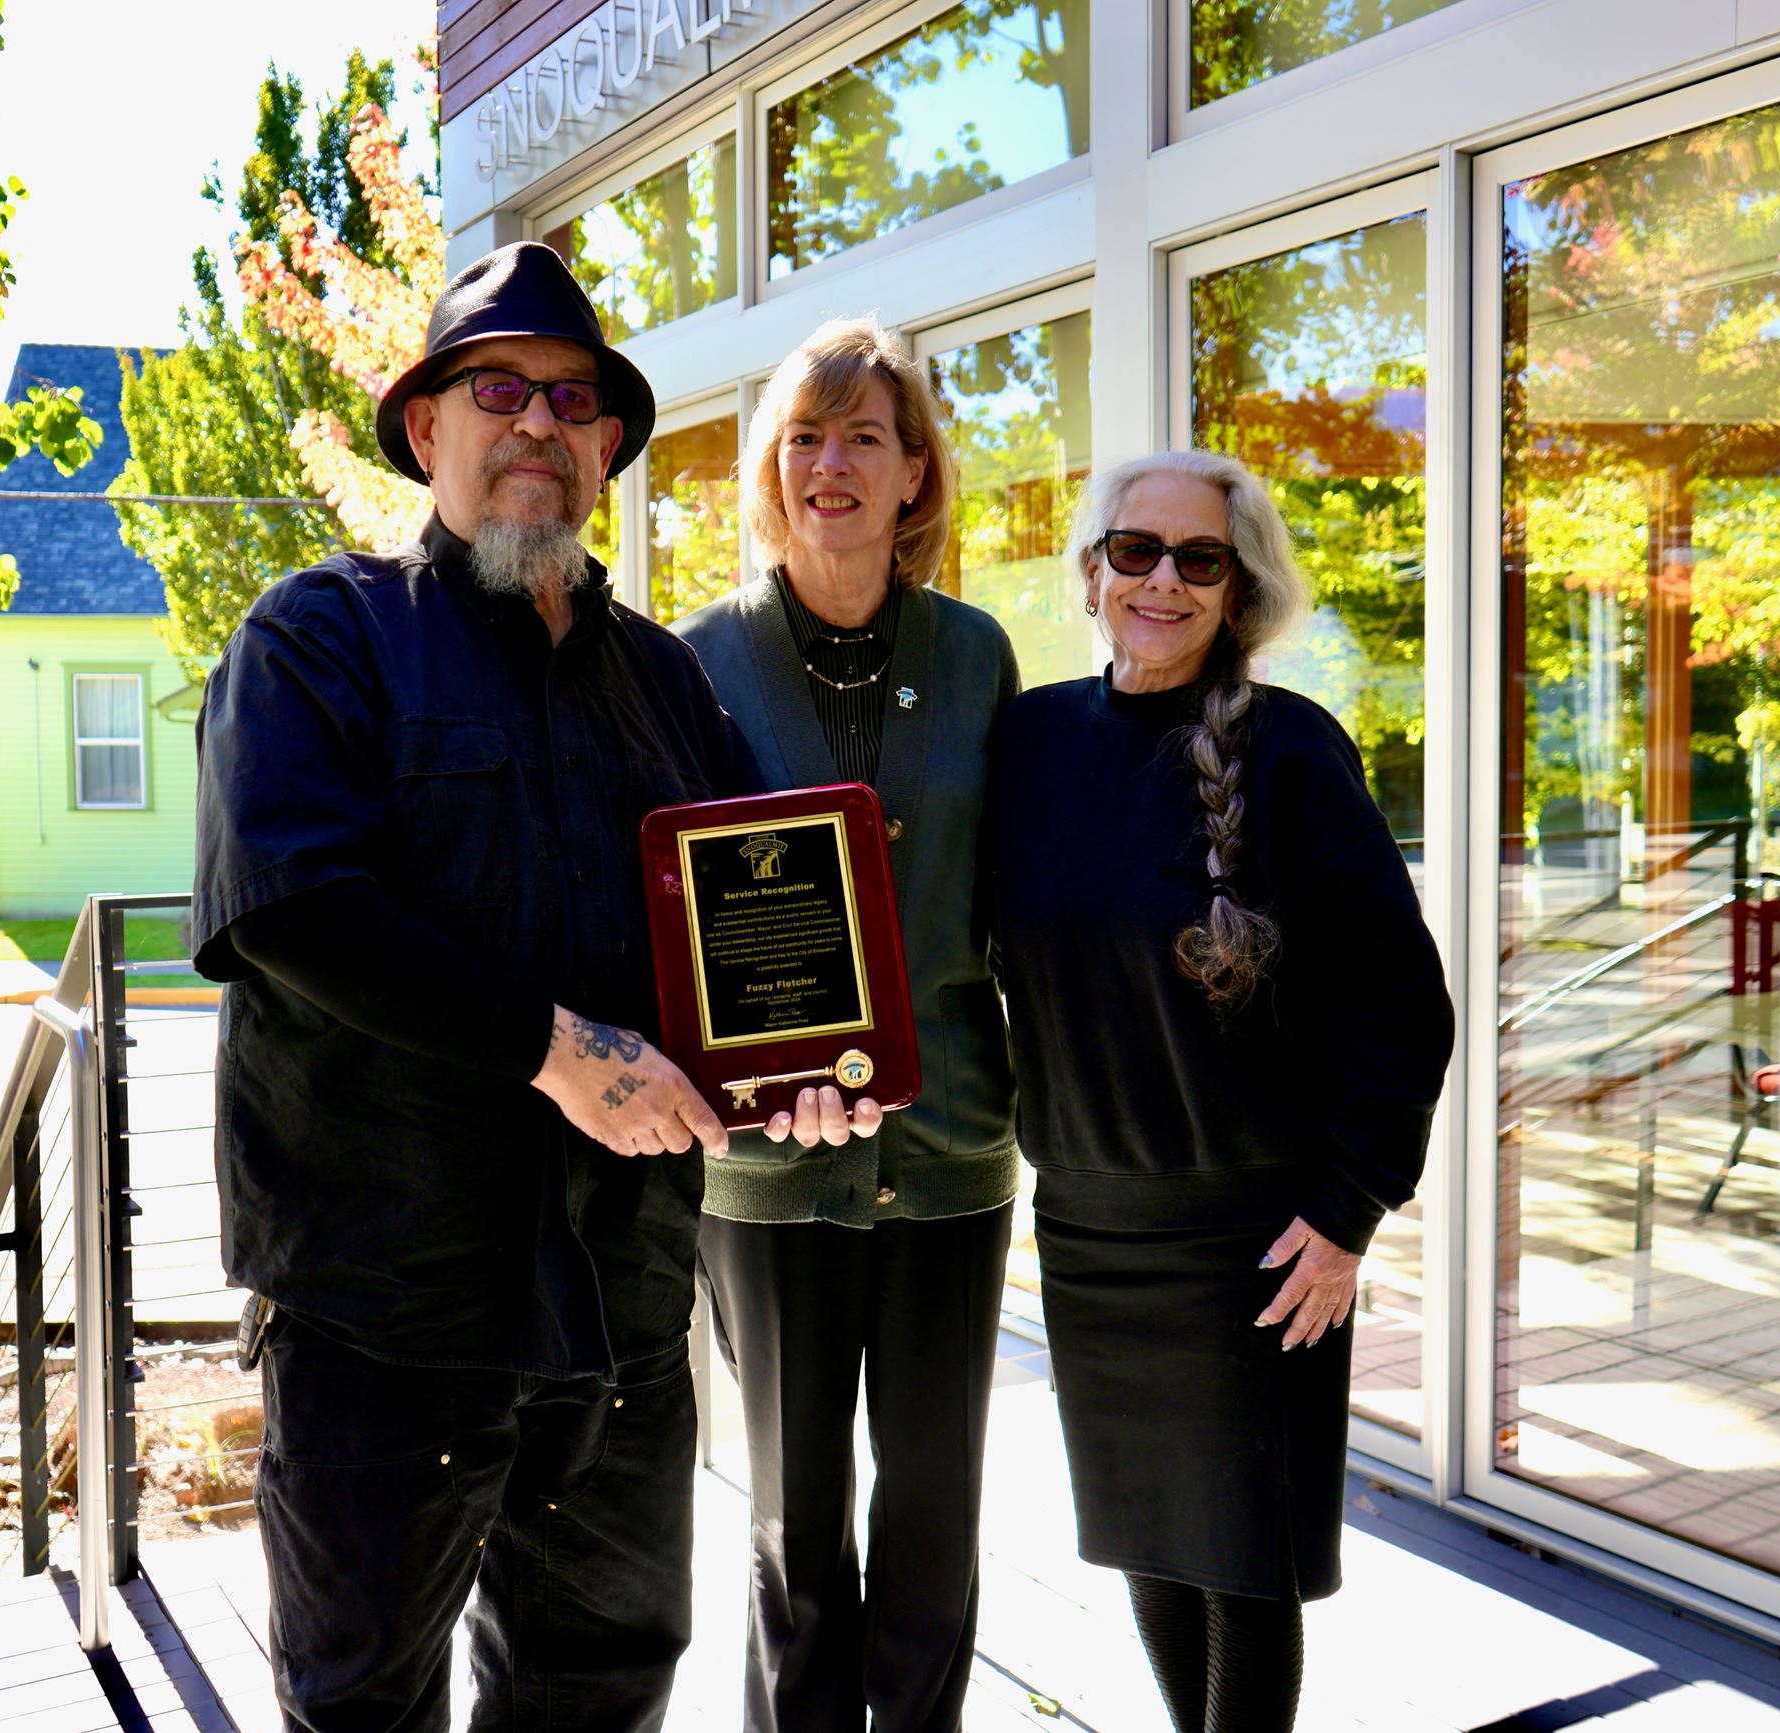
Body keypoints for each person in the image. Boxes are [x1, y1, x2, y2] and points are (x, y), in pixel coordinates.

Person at [189, 243, 749, 1733]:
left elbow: (743, 943)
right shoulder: (320, 637)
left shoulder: (669, 684)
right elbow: (295, 906)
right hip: (394, 1304)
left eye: (574, 400)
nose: (537, 422)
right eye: (494, 387)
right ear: (425, 427)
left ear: (611, 449)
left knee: (605, 1681)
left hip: (625, 1302)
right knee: (364, 1699)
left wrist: (791, 1070)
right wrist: (555, 1049)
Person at [986, 451, 1453, 1733]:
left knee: (1243, 1572)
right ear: (1090, 571)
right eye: (1136, 550)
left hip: (1255, 1238)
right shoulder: (1026, 741)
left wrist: (1352, 1204)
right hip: (1086, 1225)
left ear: (1237, 591)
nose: (1163, 581)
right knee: (1146, 1542)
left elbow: (1400, 1003)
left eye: (1201, 560)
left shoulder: (1292, 752)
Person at [673, 316, 1020, 1733]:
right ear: (770, 468)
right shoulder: (698, 661)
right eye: (805, 437)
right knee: (796, 1535)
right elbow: (669, 916)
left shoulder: (978, 655)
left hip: (946, 1158)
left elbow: (1022, 891)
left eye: (865, 436)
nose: (832, 464)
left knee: (933, 1530)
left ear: (916, 472)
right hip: (764, 1180)